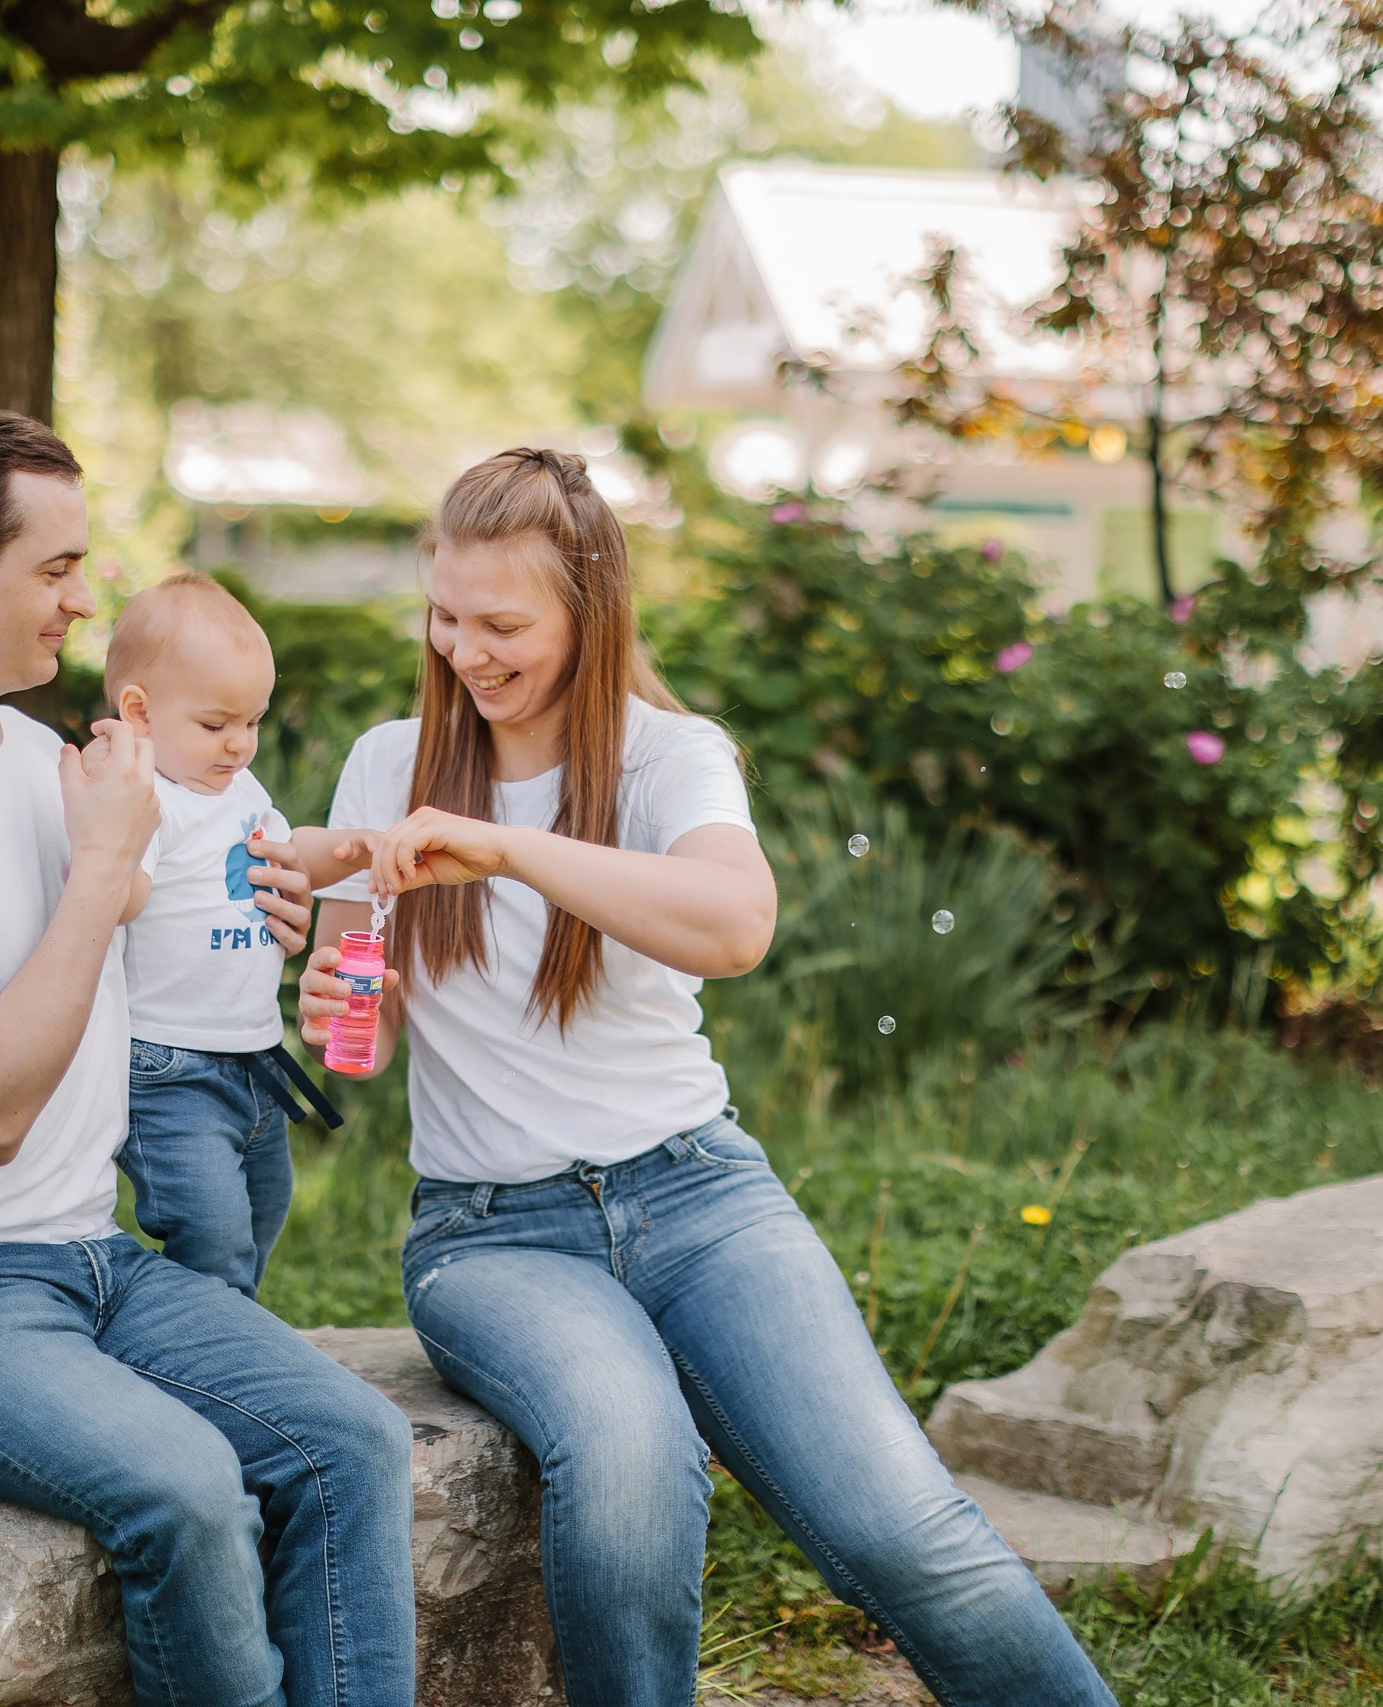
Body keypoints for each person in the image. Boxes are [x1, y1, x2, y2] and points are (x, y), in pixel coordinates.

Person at [298, 447, 1120, 1707]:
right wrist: (340, 995)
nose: (466, 651)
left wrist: (510, 848)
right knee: (631, 1457)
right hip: (489, 1235)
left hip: (700, 1201)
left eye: (504, 624)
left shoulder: (666, 759)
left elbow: (735, 927)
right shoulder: (385, 762)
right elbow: (371, 1015)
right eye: (446, 616)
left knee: (905, 1529)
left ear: (590, 610)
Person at [0, 408, 415, 1707]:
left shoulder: (51, 761)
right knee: (184, 1487)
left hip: (87, 1258)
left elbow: (208, 899)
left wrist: (297, 913)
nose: (81, 597)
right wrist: (107, 862)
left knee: (353, 1438)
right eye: (56, 566)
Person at [102, 570, 379, 1298]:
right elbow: (118, 896)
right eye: (216, 723)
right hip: (171, 1066)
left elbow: (288, 857)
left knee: (263, 1211)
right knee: (210, 1231)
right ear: (139, 711)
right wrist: (100, 840)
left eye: (253, 722)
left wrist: (345, 848)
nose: (240, 744)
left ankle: (229, 1338)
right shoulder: (151, 798)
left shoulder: (237, 789)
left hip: (254, 1057)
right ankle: (203, 1345)